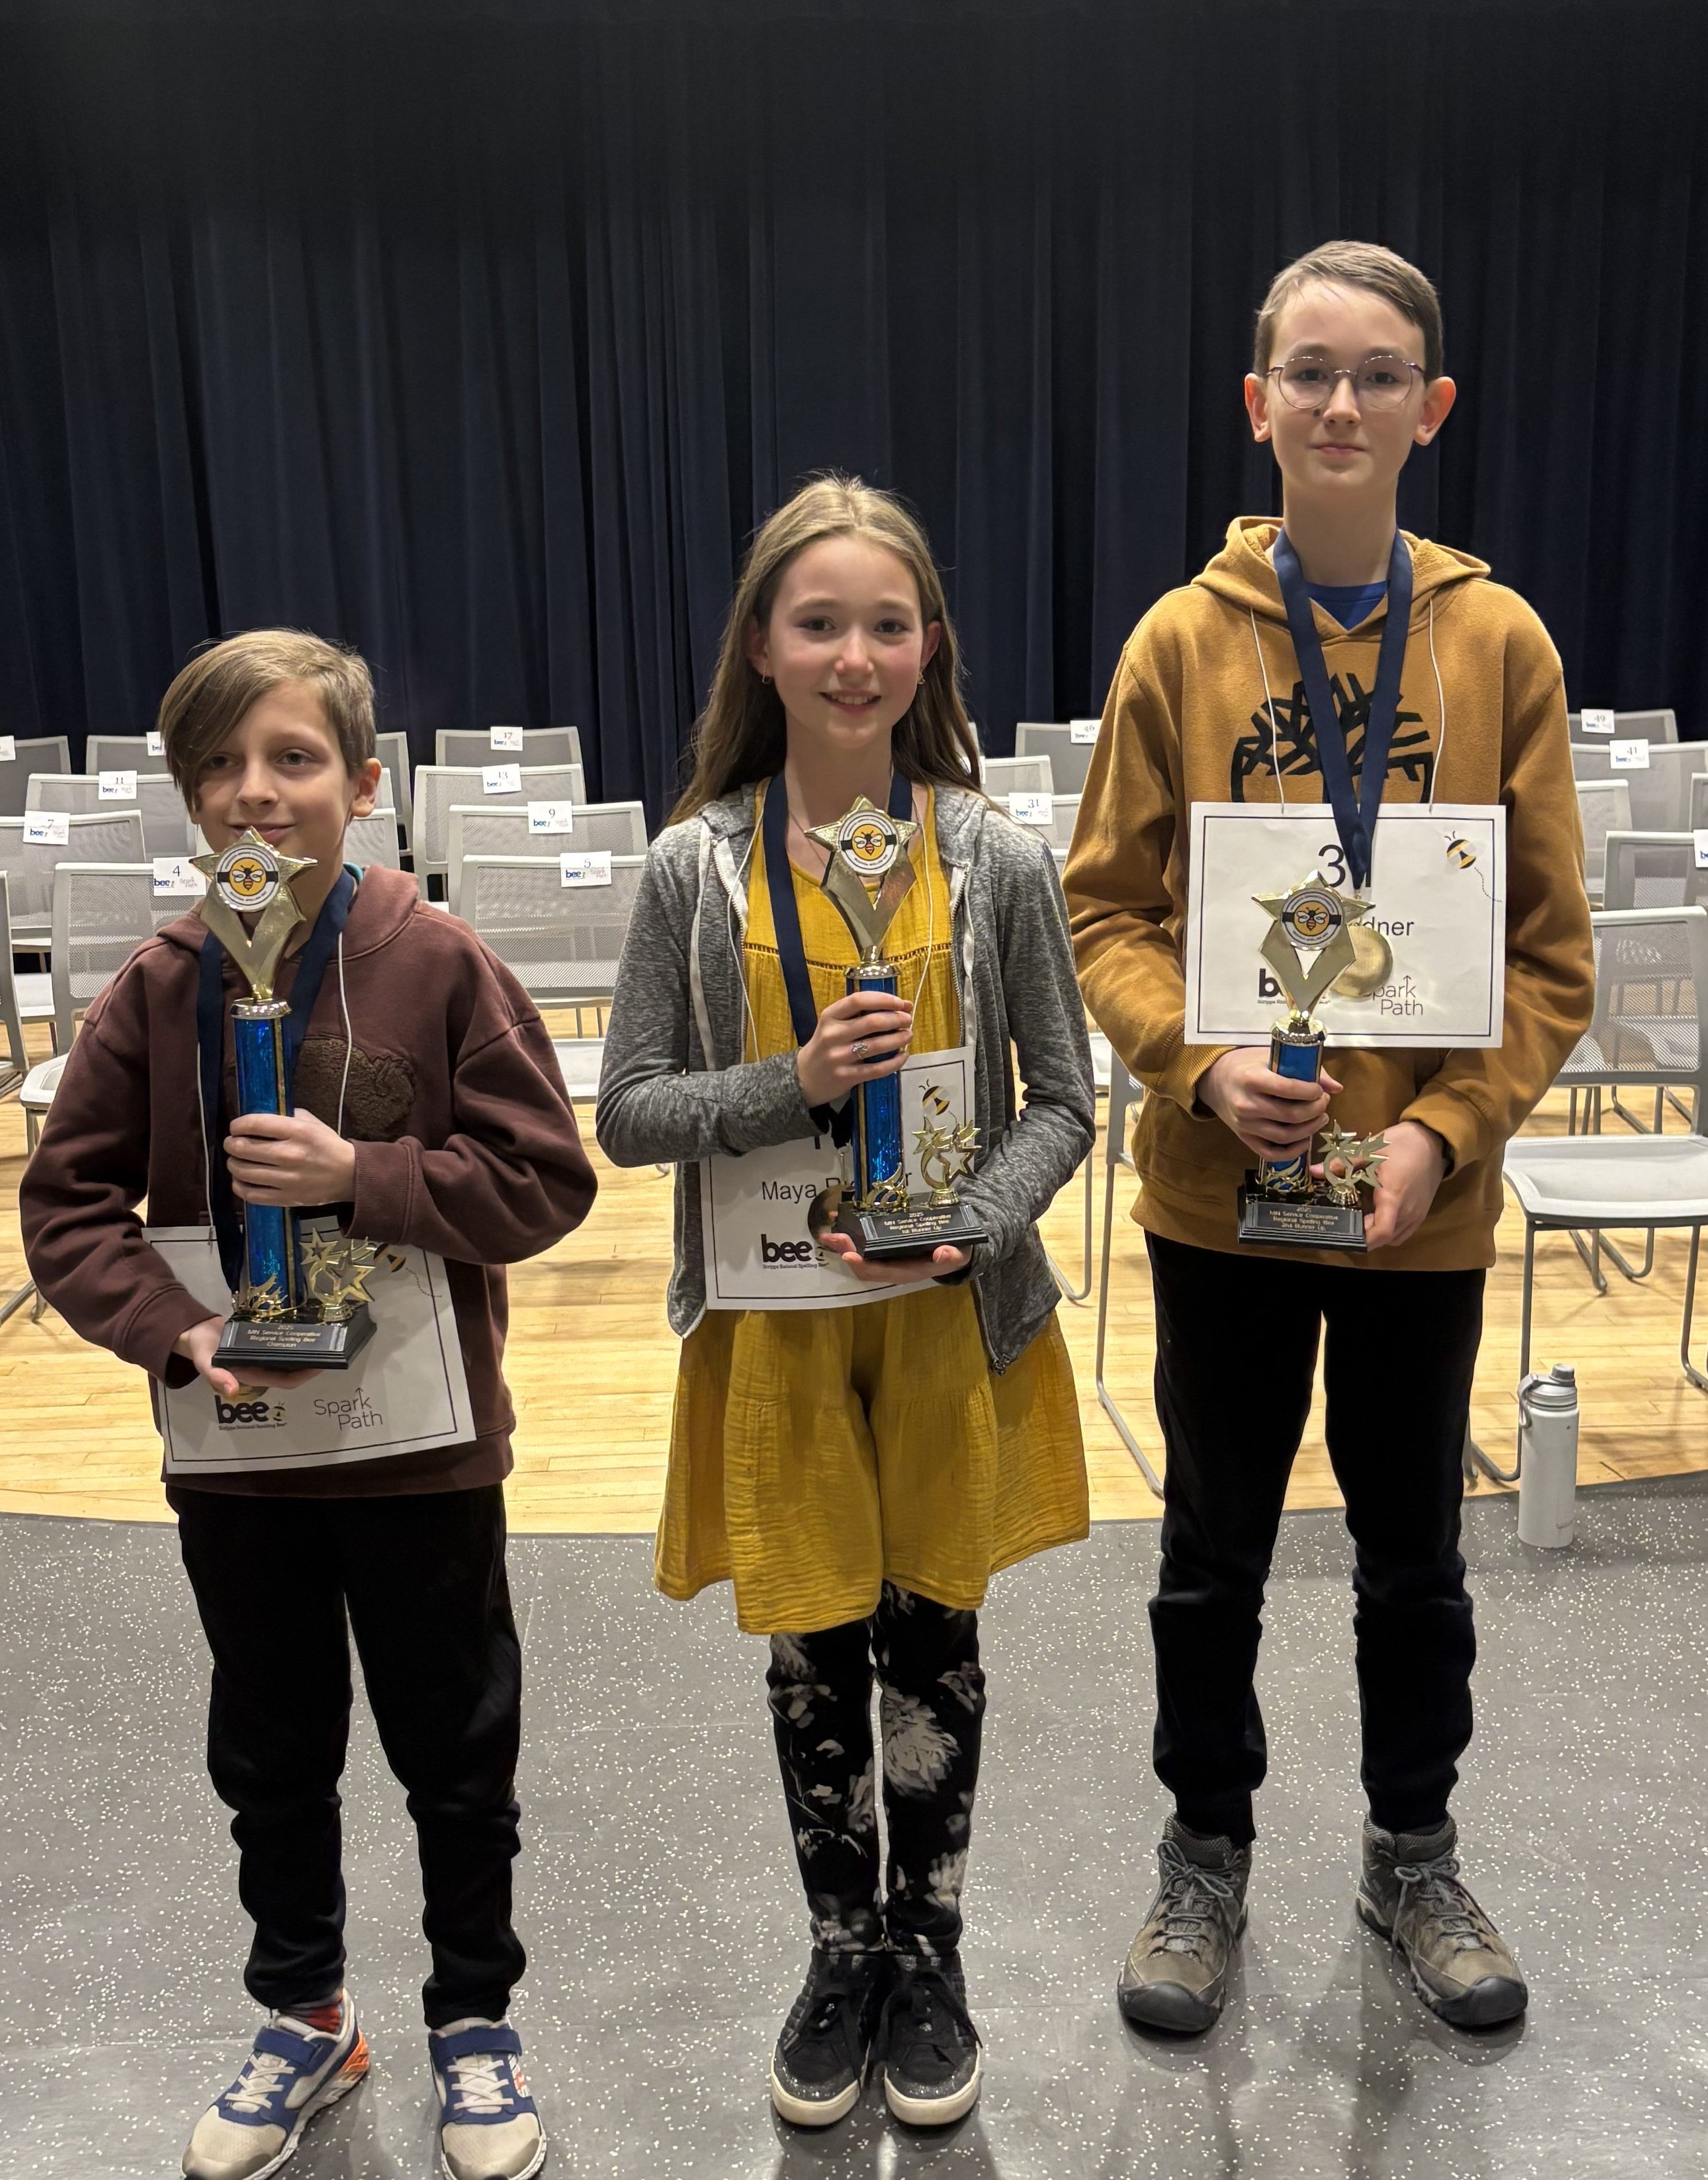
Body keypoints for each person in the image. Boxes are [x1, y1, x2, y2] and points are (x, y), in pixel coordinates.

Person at [1065, 242, 1594, 2034]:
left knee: (1410, 1559)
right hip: (1221, 1199)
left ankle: (1408, 1855)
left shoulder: (1497, 642)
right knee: (1208, 1551)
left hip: (1410, 1212)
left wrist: (1442, 1132)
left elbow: (1546, 959)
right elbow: (1102, 919)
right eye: (1310, 371)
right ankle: (1200, 1856)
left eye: (1378, 374)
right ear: (1257, 404)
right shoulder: (1177, 641)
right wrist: (1200, 1066)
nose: (1343, 403)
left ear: (1429, 409)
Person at [21, 631, 596, 2180]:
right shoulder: (155, 987)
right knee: (270, 1752)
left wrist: (366, 1178)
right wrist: (178, 1334)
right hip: (242, 1461)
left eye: (292, 760)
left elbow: (546, 1178)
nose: (258, 794)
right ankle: (304, 2015)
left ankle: (475, 2022)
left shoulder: (442, 961)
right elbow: (67, 1210)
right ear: (190, 797)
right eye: (224, 766)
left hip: (423, 1454)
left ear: (363, 782)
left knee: (456, 1748)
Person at [597, 476, 1093, 2128]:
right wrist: (787, 1079)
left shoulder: (999, 855)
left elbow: (1063, 1103)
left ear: (928, 646)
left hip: (948, 1317)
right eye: (819, 622)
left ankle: (928, 1948)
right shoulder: (692, 870)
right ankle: (836, 1948)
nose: (855, 654)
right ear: (762, 643)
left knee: (934, 1648)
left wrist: (974, 1221)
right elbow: (633, 1113)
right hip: (772, 1328)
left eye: (887, 623)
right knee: (813, 1652)